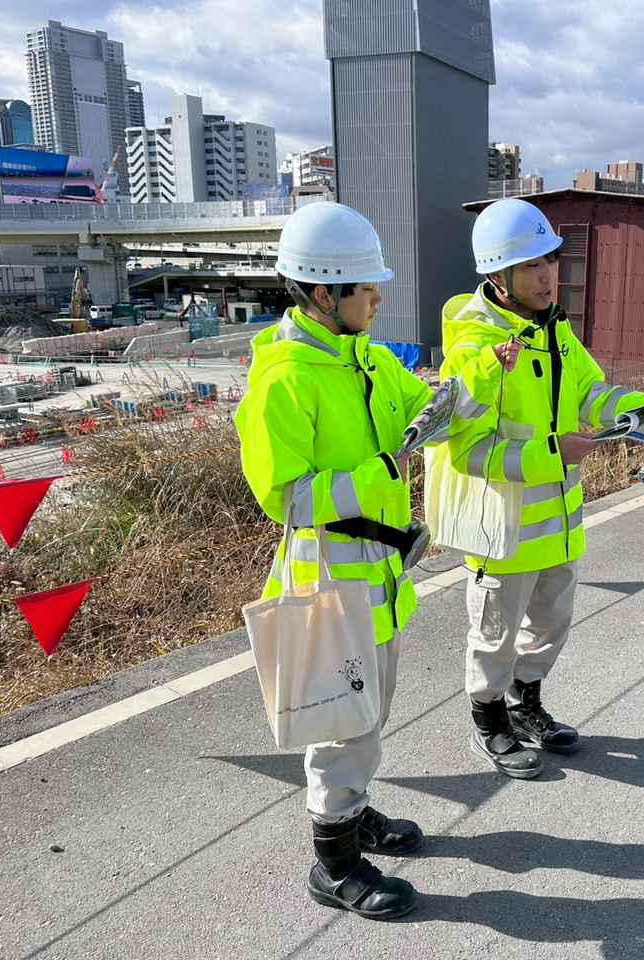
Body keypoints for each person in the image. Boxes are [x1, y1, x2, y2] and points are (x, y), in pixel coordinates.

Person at [235, 202, 433, 920]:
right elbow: (287, 498)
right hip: (328, 581)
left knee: (365, 718)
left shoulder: (366, 358)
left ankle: (353, 812)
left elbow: (423, 405)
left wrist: (464, 395)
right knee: (340, 727)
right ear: (324, 293)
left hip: (376, 578)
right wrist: (384, 470)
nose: (379, 298)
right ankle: (335, 864)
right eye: (366, 288)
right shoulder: (284, 379)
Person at [438, 198, 644, 778]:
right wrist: (553, 454)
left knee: (551, 624)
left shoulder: (554, 329)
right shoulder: (474, 347)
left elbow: (591, 392)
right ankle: (489, 720)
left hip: (558, 521)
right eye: (531, 265)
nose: (547, 275)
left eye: (550, 261)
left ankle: (524, 703)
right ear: (498, 275)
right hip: (502, 529)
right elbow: (469, 451)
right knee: (494, 635)